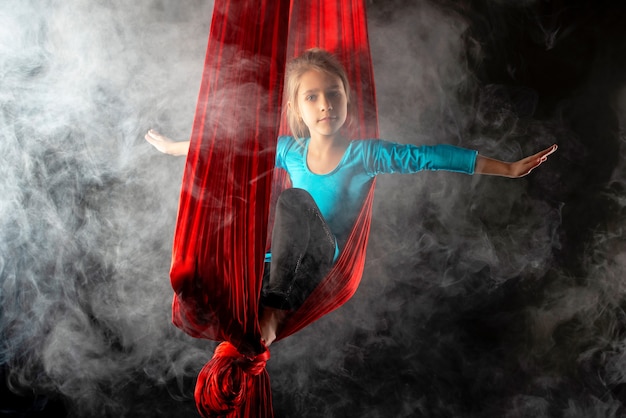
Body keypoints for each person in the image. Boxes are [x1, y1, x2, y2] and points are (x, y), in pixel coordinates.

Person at [146, 48, 557, 348]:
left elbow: (432, 157)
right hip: (278, 264)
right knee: (212, 274)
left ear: (346, 98)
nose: (325, 105)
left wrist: (508, 168)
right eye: (312, 97)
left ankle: (273, 314)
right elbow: (229, 146)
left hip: (324, 258)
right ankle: (251, 325)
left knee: (293, 202)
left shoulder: (367, 155)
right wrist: (173, 148)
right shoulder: (289, 150)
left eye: (333, 94)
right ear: (297, 108)